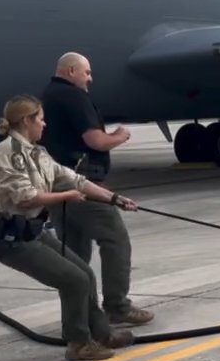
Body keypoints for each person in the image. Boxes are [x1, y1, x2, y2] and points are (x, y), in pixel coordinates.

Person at [0, 95, 139, 361]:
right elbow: (26, 197)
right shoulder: (10, 153)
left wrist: (114, 199)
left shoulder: (37, 153)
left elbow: (73, 179)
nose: (44, 124)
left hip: (32, 230)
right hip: (11, 238)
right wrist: (65, 197)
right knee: (73, 280)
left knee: (85, 273)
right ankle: (78, 343)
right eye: (40, 119)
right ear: (26, 120)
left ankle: (101, 334)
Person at [40, 52, 153, 326]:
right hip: (82, 184)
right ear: (70, 71)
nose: (90, 79)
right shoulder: (74, 97)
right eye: (86, 73)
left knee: (74, 253)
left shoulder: (49, 95)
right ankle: (117, 305)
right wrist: (119, 136)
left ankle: (83, 312)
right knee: (114, 239)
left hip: (57, 184)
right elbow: (96, 141)